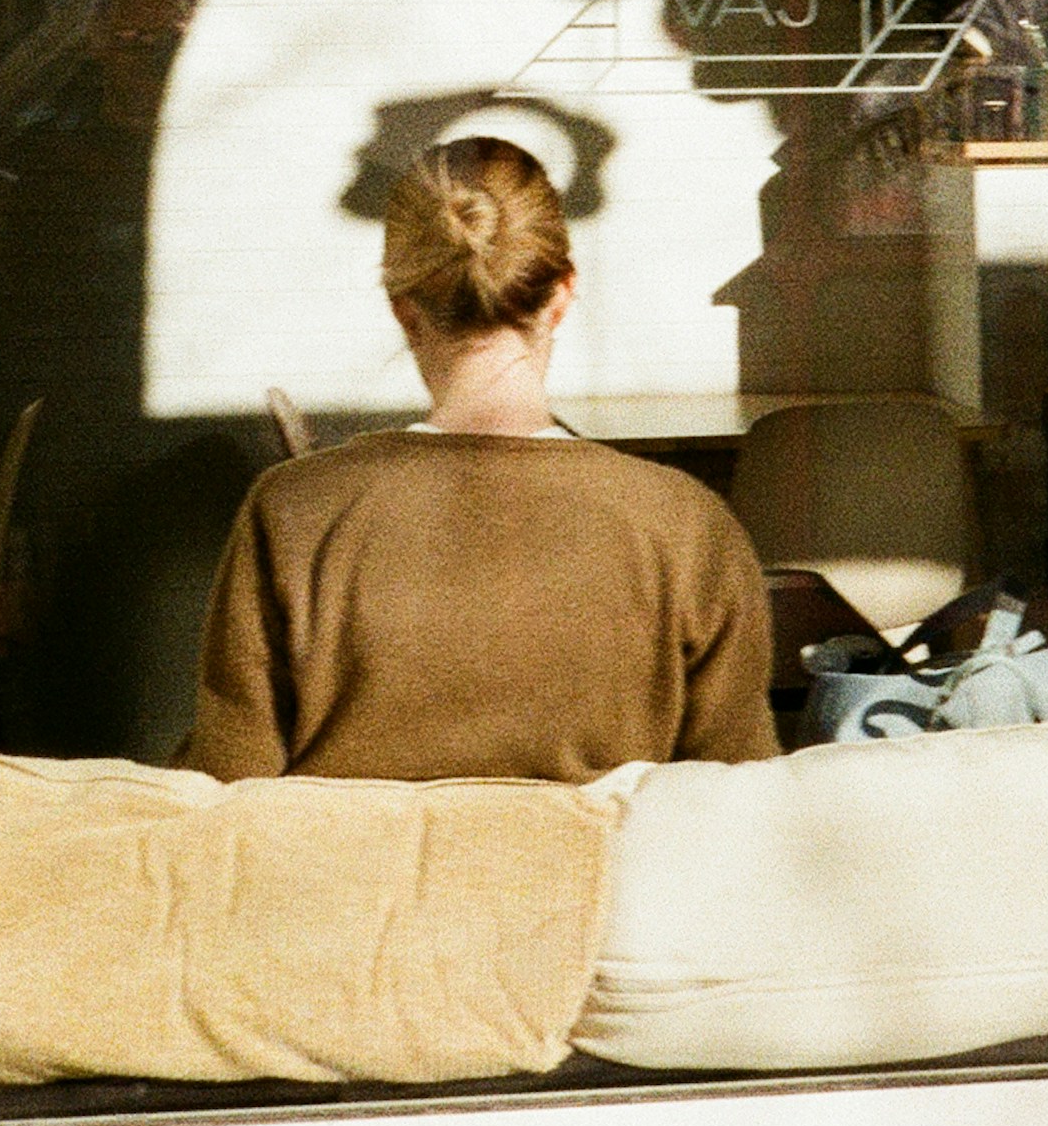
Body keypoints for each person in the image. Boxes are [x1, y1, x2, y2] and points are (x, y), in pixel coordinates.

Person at [187, 135, 779, 782]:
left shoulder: (293, 512)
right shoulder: (687, 524)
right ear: (561, 295)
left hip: (358, 881)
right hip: (600, 882)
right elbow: (736, 801)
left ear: (404, 312)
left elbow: (227, 791)